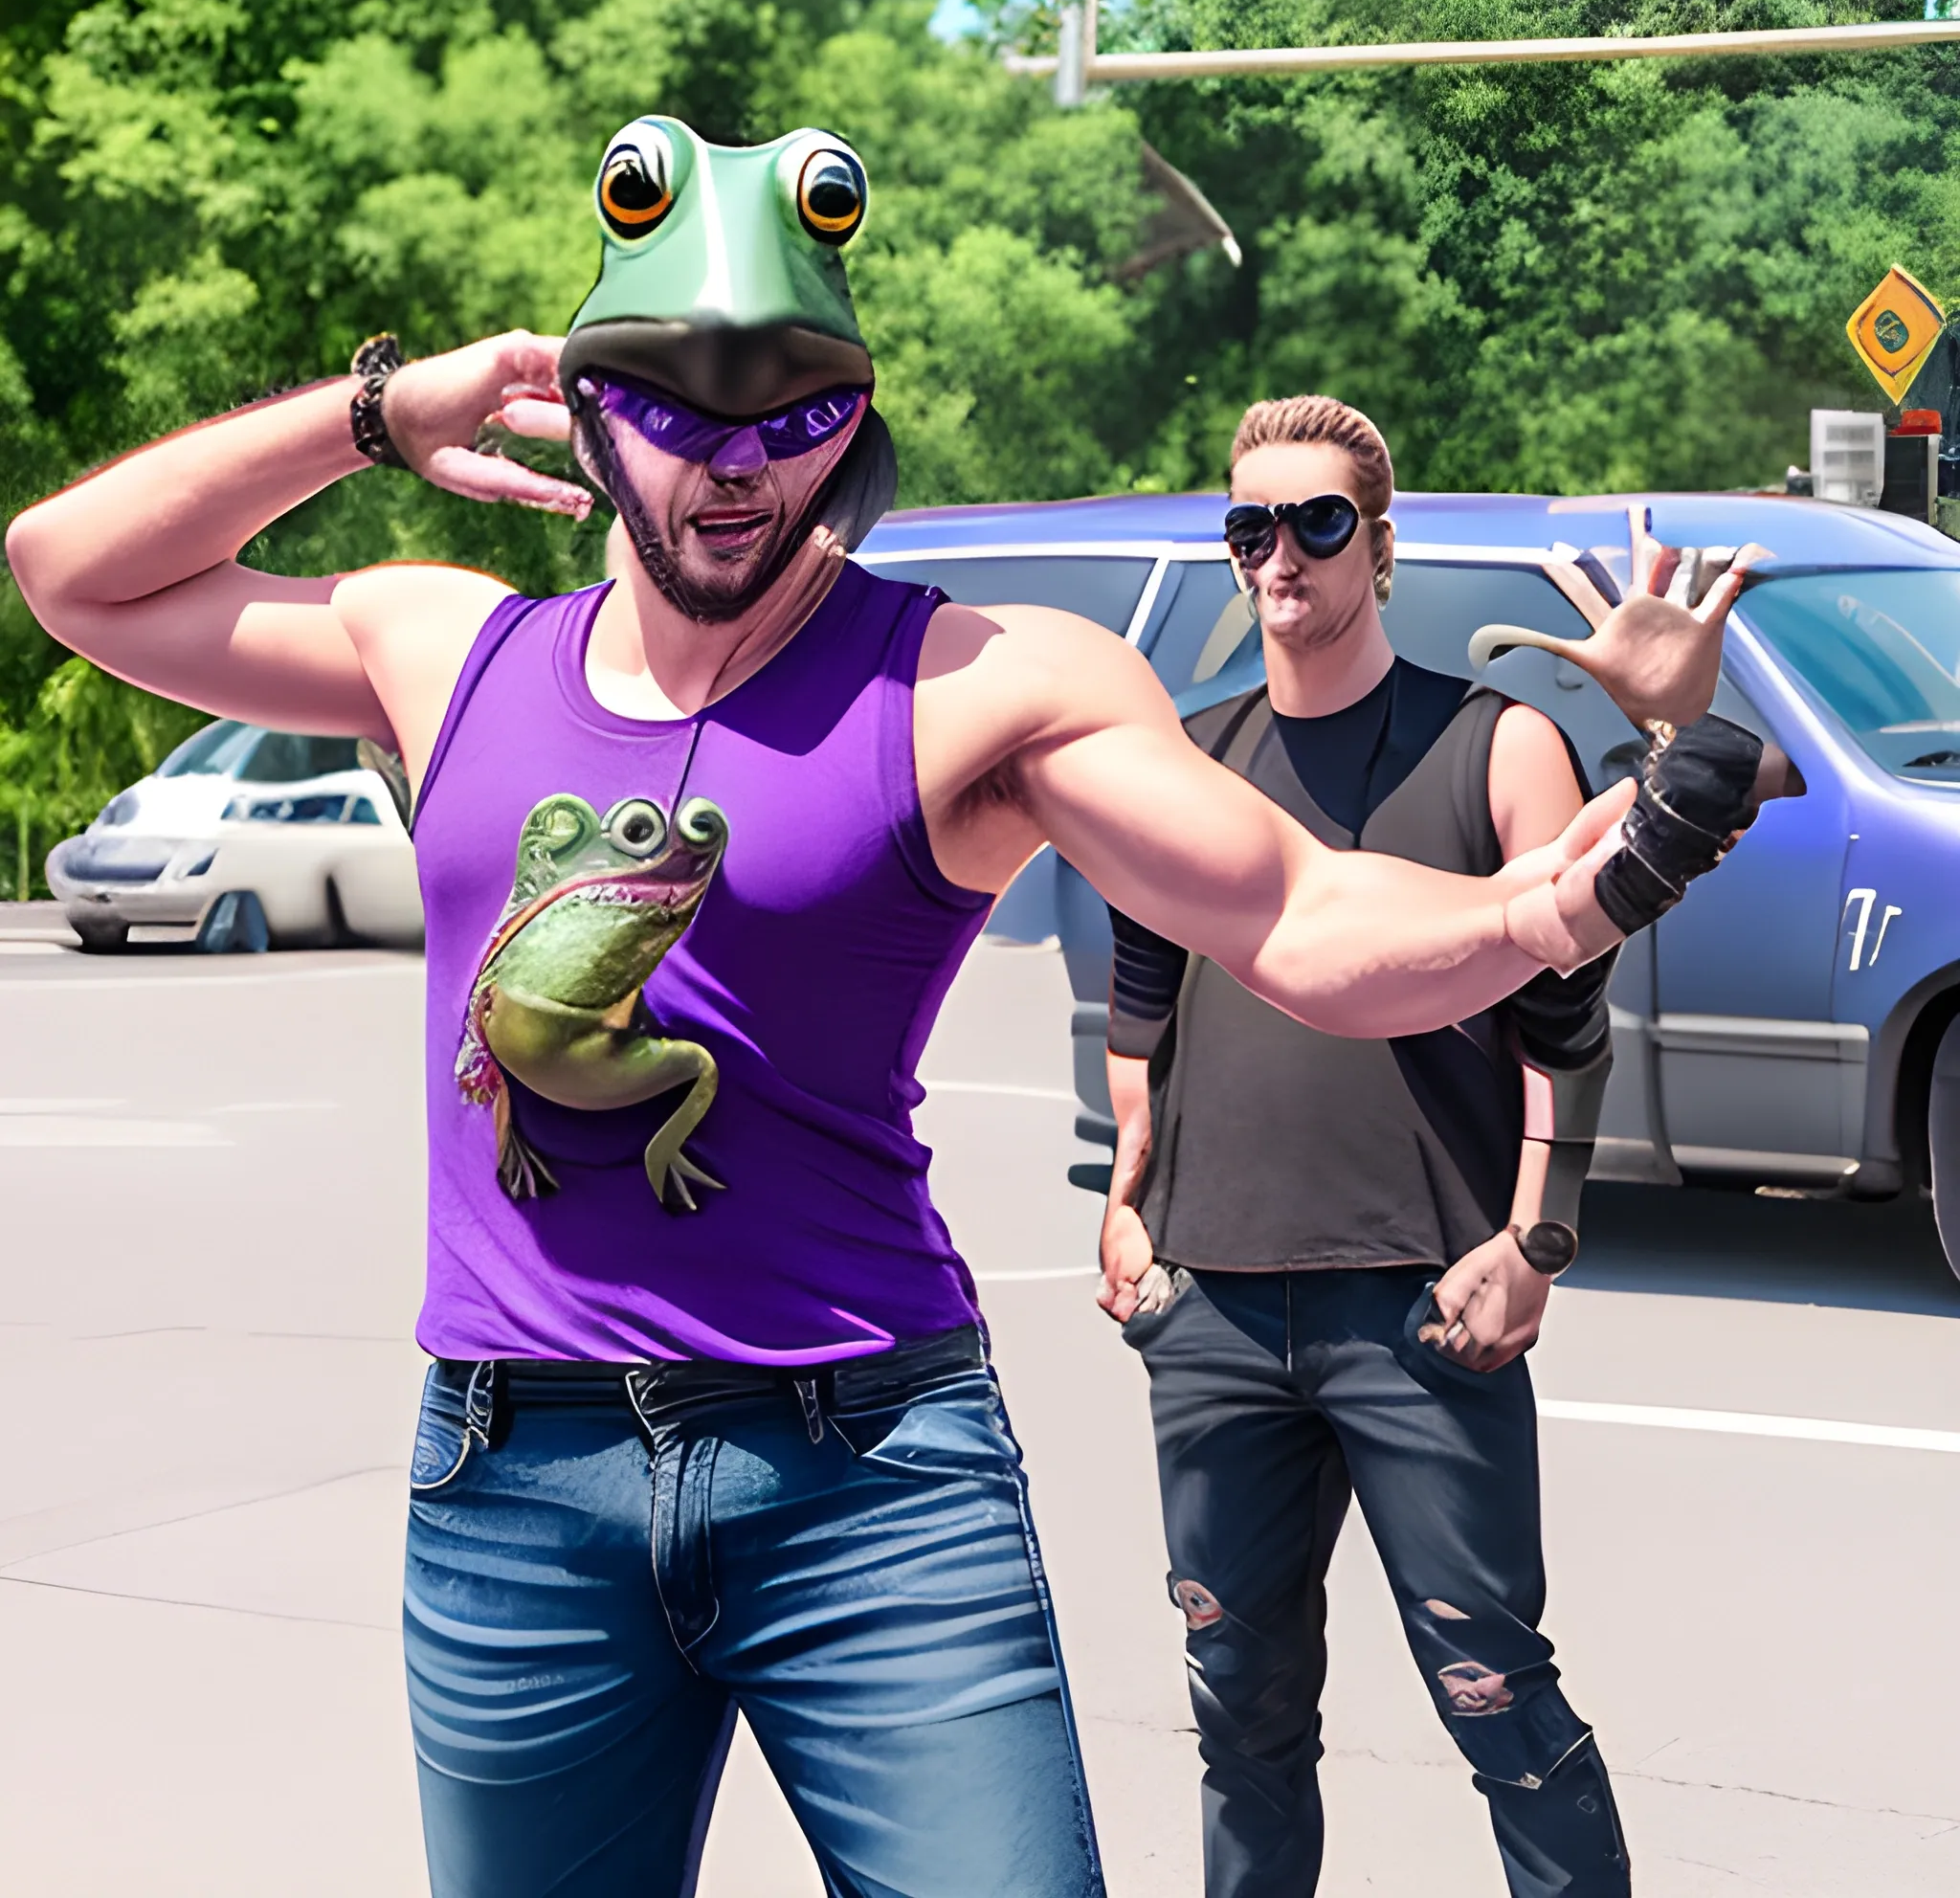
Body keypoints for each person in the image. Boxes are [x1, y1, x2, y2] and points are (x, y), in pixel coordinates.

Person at [8, 115, 1740, 1898]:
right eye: (677, 412)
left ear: (854, 428)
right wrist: (379, 413)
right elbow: (70, 572)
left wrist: (1559, 900)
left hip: (866, 1477)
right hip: (512, 1488)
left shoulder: (977, 683)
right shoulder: (445, 648)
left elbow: (1297, 914)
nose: (735, 467)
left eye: (792, 419)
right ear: (594, 415)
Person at [1097, 394, 1777, 1898]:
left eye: (1317, 522)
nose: (1281, 554)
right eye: (1250, 526)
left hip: (1420, 1304)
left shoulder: (1497, 743)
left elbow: (1569, 1009)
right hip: (1207, 1306)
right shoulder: (1185, 757)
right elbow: (1140, 1014)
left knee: (1501, 1705)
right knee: (1242, 1725)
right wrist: (1128, 1207)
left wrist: (1536, 1239)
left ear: (1381, 545)